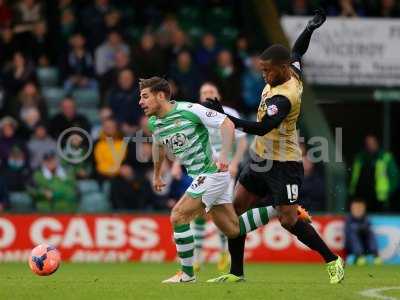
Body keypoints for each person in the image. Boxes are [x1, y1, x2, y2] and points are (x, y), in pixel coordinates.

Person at [206, 10, 344, 284]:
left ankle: (332, 260)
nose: (265, 74)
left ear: (281, 69)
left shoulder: (284, 97)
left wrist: (224, 116)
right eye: (262, 70)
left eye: (268, 70)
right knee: (235, 212)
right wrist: (309, 28)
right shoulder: (289, 69)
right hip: (260, 158)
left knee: (288, 221)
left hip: (284, 165)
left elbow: (261, 128)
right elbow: (297, 51)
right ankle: (236, 273)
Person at [139, 77, 278, 283]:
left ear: (160, 96)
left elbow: (227, 124)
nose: (141, 102)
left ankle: (187, 274)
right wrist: (158, 173)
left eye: (145, 96)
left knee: (178, 216)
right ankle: (282, 207)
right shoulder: (155, 121)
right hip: (202, 176)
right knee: (233, 229)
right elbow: (159, 145)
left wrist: (223, 155)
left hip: (212, 174)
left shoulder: (190, 109)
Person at [192, 82, 248, 272]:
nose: (207, 94)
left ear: (218, 95)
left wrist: (234, 164)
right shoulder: (195, 114)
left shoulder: (229, 113)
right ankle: (197, 257)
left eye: (211, 91)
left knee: (221, 211)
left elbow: (241, 143)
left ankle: (224, 251)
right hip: (203, 169)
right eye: (204, 91)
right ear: (200, 96)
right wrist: (177, 165)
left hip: (225, 170)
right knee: (198, 211)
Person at [349, 134, 399, 212]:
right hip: (361, 195)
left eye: (372, 143)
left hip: (379, 196)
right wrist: (352, 191)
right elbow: (353, 176)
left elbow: (394, 177)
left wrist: (389, 192)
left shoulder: (385, 157)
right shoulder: (360, 158)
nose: (370, 146)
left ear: (377, 143)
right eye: (368, 143)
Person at [345, 199, 382, 266]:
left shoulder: (366, 218)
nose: (358, 210)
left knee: (370, 233)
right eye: (356, 208)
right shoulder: (348, 218)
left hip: (365, 246)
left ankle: (375, 255)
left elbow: (367, 227)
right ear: (351, 209)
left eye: (360, 208)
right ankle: (359, 256)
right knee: (353, 233)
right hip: (351, 248)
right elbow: (348, 234)